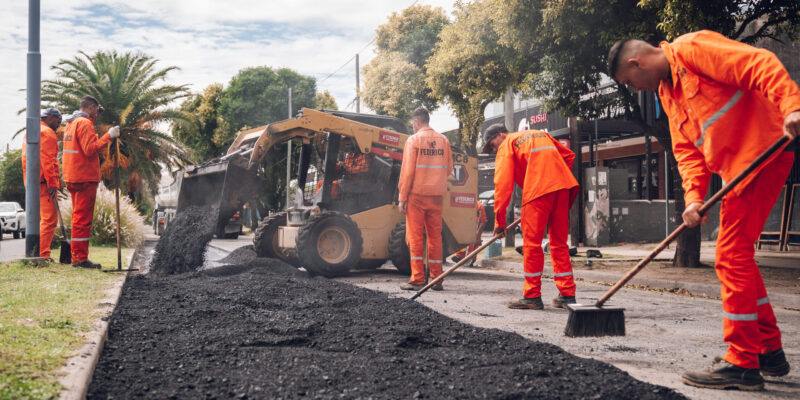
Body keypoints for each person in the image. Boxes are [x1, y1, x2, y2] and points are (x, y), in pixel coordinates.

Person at [607, 30, 800, 391]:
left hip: (763, 151)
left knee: (730, 257)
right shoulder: (669, 94)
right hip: (739, 171)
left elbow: (758, 63)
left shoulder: (692, 48)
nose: (637, 90)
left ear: (636, 62)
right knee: (738, 255)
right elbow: (687, 152)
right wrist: (694, 197)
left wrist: (791, 105)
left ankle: (743, 361)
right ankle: (768, 350)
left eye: (631, 82)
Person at [483, 123, 579, 310]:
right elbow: (569, 155)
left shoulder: (508, 144)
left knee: (532, 245)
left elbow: (502, 186)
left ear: (501, 135)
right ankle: (567, 294)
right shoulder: (540, 134)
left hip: (537, 191)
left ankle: (532, 296)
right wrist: (556, 178)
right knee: (559, 244)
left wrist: (500, 222)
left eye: (493, 145)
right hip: (562, 188)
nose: (494, 149)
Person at [397, 107, 453, 291]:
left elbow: (407, 172)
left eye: (413, 123)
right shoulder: (444, 140)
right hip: (437, 196)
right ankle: (437, 278)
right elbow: (449, 168)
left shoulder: (414, 140)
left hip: (417, 196)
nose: (412, 126)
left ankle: (418, 278)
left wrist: (402, 197)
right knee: (435, 237)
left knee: (415, 237)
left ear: (417, 121)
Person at [62, 95, 120, 269]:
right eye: (97, 110)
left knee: (77, 217)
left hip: (72, 176)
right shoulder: (84, 123)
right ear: (91, 107)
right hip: (84, 177)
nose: (97, 115)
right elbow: (89, 149)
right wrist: (108, 136)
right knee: (82, 219)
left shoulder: (70, 124)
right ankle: (79, 259)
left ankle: (77, 256)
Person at [21, 107, 62, 261]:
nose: (59, 125)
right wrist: (53, 183)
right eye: (58, 121)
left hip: (32, 183)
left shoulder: (31, 132)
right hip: (45, 183)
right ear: (51, 117)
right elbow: (48, 160)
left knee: (38, 220)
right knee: (49, 219)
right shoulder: (48, 133)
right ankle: (43, 254)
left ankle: (36, 252)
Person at [450, 198, 488, 267]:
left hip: (475, 228)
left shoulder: (479, 205)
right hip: (465, 227)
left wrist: (477, 233)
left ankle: (470, 259)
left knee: (472, 245)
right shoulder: (465, 202)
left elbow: (483, 221)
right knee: (462, 243)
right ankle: (460, 257)